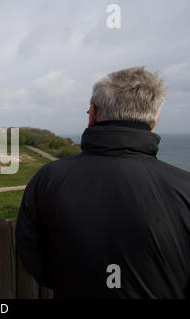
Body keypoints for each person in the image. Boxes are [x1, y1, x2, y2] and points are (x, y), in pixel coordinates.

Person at [16, 66, 190, 299]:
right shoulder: (184, 187)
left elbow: (32, 256)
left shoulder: (48, 178)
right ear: (155, 120)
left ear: (92, 114)